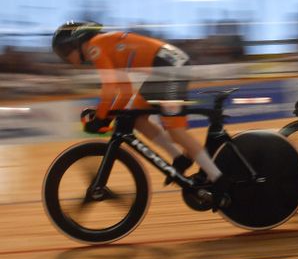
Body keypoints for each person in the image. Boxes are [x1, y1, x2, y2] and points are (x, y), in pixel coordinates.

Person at [51, 21, 230, 209]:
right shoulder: (103, 45)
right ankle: (179, 158)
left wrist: (101, 117)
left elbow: (110, 88)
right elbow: (125, 91)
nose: (65, 58)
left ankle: (218, 178)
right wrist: (105, 115)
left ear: (76, 42)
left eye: (64, 51)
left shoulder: (95, 46)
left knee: (176, 130)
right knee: (136, 118)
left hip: (169, 68)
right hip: (163, 68)